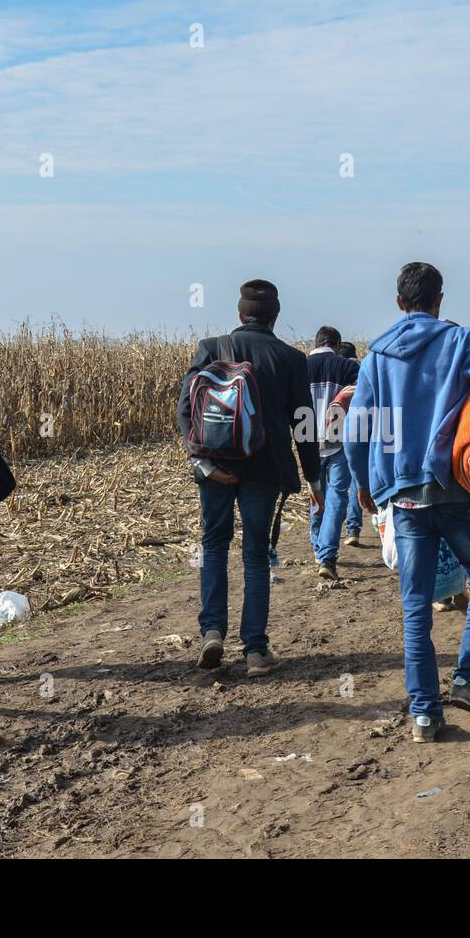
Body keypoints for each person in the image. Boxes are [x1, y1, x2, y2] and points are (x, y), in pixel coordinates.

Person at [345, 262, 470, 743]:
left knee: (415, 605)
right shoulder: (460, 341)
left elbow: (356, 430)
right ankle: (468, 681)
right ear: (440, 299)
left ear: (399, 303)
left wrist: (364, 486)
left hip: (405, 496)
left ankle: (423, 715)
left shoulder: (376, 356)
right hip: (458, 488)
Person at [177, 280, 324, 677]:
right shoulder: (292, 358)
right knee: (256, 555)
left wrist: (202, 464)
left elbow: (186, 409)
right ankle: (256, 651)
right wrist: (314, 479)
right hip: (265, 469)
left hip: (216, 467)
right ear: (275, 317)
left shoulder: (211, 348)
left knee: (213, 545)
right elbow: (303, 423)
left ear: (239, 314)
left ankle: (212, 631)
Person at [306, 326, 359, 579]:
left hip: (306, 440)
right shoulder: (346, 366)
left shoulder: (300, 366)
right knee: (338, 497)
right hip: (338, 440)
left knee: (316, 493)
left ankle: (318, 549)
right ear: (337, 344)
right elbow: (363, 395)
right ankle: (327, 556)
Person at [336, 341, 366, 546]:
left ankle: (334, 531)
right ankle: (353, 529)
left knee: (337, 486)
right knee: (356, 482)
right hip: (360, 433)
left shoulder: (337, 370)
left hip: (333, 435)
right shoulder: (362, 371)